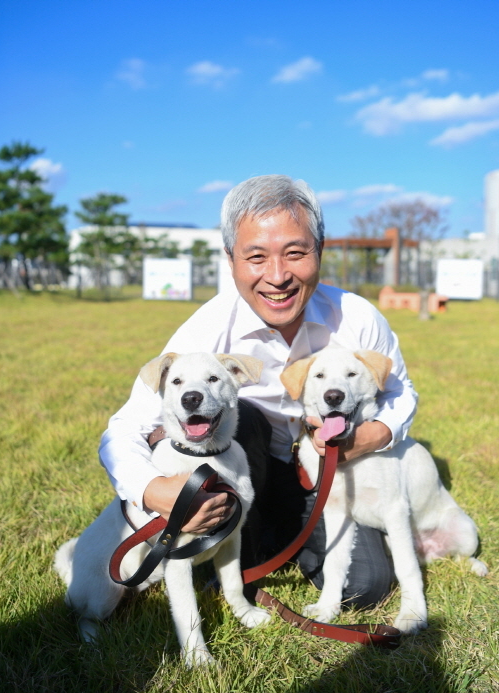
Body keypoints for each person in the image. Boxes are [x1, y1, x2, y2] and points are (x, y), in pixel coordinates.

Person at [99, 175, 418, 608]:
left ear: (319, 251)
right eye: (256, 257)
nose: (278, 276)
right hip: (248, 468)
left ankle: (278, 534)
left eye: (295, 253)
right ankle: (244, 544)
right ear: (230, 260)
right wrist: (155, 490)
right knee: (242, 414)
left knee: (362, 588)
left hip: (328, 473)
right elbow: (124, 429)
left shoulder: (357, 317)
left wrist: (375, 434)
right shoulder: (206, 330)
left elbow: (401, 393)